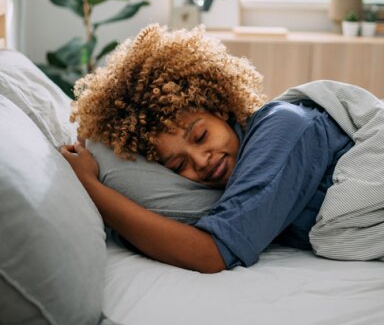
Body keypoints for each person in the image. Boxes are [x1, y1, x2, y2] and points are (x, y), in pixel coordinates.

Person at [60, 24, 354, 273]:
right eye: (178, 166)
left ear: (221, 109)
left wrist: (91, 186)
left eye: (200, 136)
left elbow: (210, 254)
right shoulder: (229, 182)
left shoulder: (281, 128)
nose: (200, 161)